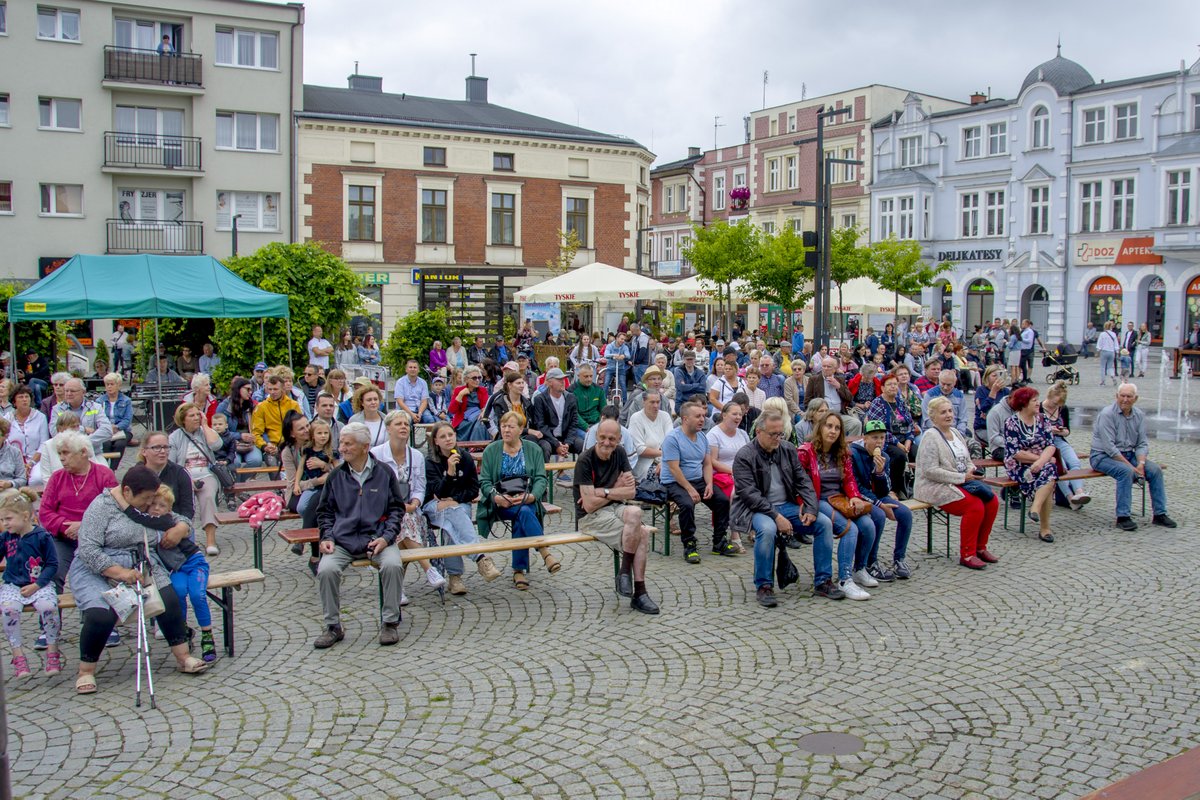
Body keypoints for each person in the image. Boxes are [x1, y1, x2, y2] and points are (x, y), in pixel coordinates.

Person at [72, 466, 210, 693]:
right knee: (100, 613)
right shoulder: (101, 507)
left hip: (140, 561)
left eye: (151, 498)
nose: (149, 504)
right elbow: (88, 550)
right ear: (127, 492)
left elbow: (176, 517)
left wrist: (181, 527)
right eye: (145, 499)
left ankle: (183, 656)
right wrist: (118, 572)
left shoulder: (148, 502)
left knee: (168, 598)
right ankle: (86, 671)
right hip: (98, 567)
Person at [312, 423, 407, 648]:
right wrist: (326, 537)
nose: (341, 448)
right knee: (326, 569)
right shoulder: (336, 475)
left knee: (394, 564)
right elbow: (324, 512)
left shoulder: (384, 473)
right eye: (341, 443)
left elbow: (396, 509)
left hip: (378, 538)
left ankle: (390, 622)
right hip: (343, 540)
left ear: (365, 447)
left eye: (347, 443)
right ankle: (333, 626)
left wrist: (386, 538)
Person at [730, 408, 824, 607]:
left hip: (787, 506)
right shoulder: (745, 456)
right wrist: (776, 516)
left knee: (823, 523)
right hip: (758, 509)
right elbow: (750, 495)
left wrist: (810, 508)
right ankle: (764, 585)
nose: (777, 438)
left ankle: (823, 580)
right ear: (759, 432)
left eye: (780, 433)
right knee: (767, 529)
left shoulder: (788, 449)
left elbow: (803, 480)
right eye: (773, 434)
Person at [573, 419, 660, 614]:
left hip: (616, 508)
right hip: (590, 517)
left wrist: (601, 492)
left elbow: (631, 492)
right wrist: (614, 489)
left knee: (636, 512)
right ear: (596, 437)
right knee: (643, 534)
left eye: (612, 439)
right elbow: (589, 505)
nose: (606, 442)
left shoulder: (619, 452)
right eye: (602, 438)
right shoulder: (585, 461)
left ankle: (624, 573)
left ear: (619, 439)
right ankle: (640, 592)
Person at [797, 411, 876, 600]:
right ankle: (844, 579)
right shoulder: (806, 452)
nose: (832, 431)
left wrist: (855, 497)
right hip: (818, 500)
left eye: (837, 428)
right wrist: (804, 503)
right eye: (829, 426)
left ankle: (859, 568)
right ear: (820, 428)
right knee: (851, 530)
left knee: (868, 525)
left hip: (840, 498)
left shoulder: (842, 452)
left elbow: (849, 479)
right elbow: (799, 482)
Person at [916, 396, 1000, 570]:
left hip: (961, 481)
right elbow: (929, 471)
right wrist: (961, 478)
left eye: (950, 411)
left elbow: (967, 459)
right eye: (943, 412)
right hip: (933, 485)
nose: (948, 415)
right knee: (974, 506)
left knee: (992, 501)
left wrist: (971, 471)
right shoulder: (930, 437)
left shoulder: (956, 433)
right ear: (933, 417)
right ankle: (967, 554)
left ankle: (980, 547)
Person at [477, 412, 558, 589]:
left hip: (526, 499)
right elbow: (484, 481)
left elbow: (540, 478)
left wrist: (532, 496)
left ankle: (519, 571)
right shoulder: (492, 450)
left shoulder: (532, 449)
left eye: (511, 426)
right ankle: (544, 552)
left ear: (521, 429)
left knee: (523, 512)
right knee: (523, 513)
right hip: (501, 502)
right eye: (503, 426)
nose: (506, 430)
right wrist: (496, 497)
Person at [370, 413, 447, 592]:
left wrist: (414, 503)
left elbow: (420, 487)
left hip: (411, 512)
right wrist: (395, 506)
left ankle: (395, 590)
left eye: (406, 424)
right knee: (401, 520)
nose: (404, 427)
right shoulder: (376, 455)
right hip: (382, 513)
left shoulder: (416, 456)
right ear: (388, 428)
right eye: (399, 424)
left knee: (404, 520)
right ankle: (429, 569)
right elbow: (372, 489)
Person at [423, 422, 501, 594]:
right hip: (433, 506)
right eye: (443, 436)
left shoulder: (465, 458)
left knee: (450, 523)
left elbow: (473, 490)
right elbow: (437, 492)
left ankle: (455, 578)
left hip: (459, 504)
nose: (448, 439)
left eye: (450, 435)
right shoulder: (430, 462)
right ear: (435, 441)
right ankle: (480, 557)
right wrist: (450, 472)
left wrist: (455, 499)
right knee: (452, 513)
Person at [1089, 383, 1176, 531]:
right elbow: (1110, 448)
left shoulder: (1139, 415)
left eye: (1129, 396)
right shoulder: (1107, 414)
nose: (1125, 399)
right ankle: (1123, 517)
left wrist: (1141, 463)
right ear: (1116, 396)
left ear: (1135, 399)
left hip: (1129, 455)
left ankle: (1160, 514)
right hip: (1102, 456)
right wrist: (1131, 467)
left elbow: (1142, 443)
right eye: (1122, 396)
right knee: (1126, 472)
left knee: (1155, 470)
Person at [662, 401, 736, 564]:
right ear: (685, 419)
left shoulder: (702, 437)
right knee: (687, 504)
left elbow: (707, 463)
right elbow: (674, 469)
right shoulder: (672, 439)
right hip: (674, 482)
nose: (702, 419)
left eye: (703, 415)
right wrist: (689, 489)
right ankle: (689, 545)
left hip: (698, 480)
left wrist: (709, 484)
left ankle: (719, 542)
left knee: (722, 500)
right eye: (698, 416)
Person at [0, 488, 62, 677]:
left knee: (48, 607)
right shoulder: (5, 538)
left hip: (39, 585)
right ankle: (18, 655)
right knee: (9, 610)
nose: (4, 524)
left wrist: (38, 584)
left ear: (25, 516)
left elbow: (52, 564)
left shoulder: (42, 536)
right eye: (2, 520)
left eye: (8, 519)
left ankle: (52, 651)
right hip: (13, 585)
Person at [850, 420, 914, 581]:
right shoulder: (854, 454)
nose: (879, 442)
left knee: (905, 514)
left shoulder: (884, 456)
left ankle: (899, 558)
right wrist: (879, 504)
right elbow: (857, 487)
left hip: (878, 496)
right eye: (875, 438)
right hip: (860, 497)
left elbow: (885, 490)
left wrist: (879, 473)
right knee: (878, 516)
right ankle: (871, 562)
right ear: (865, 438)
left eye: (882, 438)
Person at [1002, 387, 1059, 543]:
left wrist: (1041, 462)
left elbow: (1051, 445)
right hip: (1019, 465)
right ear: (1024, 403)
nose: (1038, 403)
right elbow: (1016, 452)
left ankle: (1035, 508)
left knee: (1049, 471)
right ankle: (1045, 528)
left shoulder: (1043, 419)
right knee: (1049, 475)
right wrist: (1040, 460)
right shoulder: (1011, 422)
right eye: (1034, 400)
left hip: (1041, 462)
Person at [169, 403, 223, 556]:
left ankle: (211, 541)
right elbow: (171, 464)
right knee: (184, 503)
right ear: (183, 419)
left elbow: (217, 445)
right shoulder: (175, 437)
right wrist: (187, 481)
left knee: (208, 499)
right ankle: (187, 540)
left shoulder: (204, 432)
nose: (196, 418)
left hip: (206, 474)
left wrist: (205, 426)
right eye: (191, 416)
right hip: (184, 476)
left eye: (198, 414)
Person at [707, 401, 749, 553]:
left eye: (740, 414)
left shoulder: (743, 434)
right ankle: (735, 534)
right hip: (721, 474)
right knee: (735, 493)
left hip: (742, 473)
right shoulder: (714, 434)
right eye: (734, 414)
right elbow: (712, 461)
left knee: (760, 488)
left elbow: (749, 457)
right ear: (724, 415)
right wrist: (733, 471)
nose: (738, 417)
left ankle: (753, 529)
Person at [1041, 381, 1090, 510]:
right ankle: (1069, 497)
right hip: (1045, 443)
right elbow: (1035, 430)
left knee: (1074, 462)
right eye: (1054, 403)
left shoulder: (1063, 409)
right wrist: (1049, 429)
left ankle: (1079, 492)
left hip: (1059, 440)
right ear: (1049, 396)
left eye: (1059, 404)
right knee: (1060, 466)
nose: (1055, 406)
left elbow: (1067, 431)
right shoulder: (1039, 408)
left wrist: (1062, 431)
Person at [50, 378, 112, 454]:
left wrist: (83, 443)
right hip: (66, 454)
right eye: (66, 391)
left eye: (72, 391)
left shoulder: (96, 407)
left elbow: (107, 430)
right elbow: (54, 431)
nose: (69, 394)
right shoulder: (57, 409)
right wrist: (83, 429)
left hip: (92, 453)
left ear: (83, 392)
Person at [805, 357, 861, 437]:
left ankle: (848, 448)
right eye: (824, 366)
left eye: (829, 366)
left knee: (856, 424)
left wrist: (838, 386)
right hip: (822, 416)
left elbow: (850, 398)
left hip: (839, 415)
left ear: (835, 369)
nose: (826, 369)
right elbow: (807, 401)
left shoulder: (840, 379)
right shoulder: (814, 379)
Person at [216, 376, 262, 467]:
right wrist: (240, 435)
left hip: (249, 443)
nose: (250, 392)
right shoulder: (223, 407)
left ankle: (243, 480)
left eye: (251, 390)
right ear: (238, 389)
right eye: (248, 389)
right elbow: (219, 430)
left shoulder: (251, 406)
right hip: (231, 443)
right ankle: (238, 481)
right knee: (234, 462)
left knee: (256, 460)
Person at [629, 389, 672, 481]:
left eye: (658, 402)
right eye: (652, 402)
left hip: (666, 461)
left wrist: (664, 460)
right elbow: (640, 449)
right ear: (644, 402)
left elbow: (671, 442)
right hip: (645, 465)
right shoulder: (636, 418)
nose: (656, 405)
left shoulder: (665, 416)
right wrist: (664, 453)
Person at [7, 386, 48, 475]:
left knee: (36, 479)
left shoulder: (40, 417)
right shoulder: (7, 418)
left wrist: (31, 463)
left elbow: (44, 444)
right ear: (14, 402)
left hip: (35, 460)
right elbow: (5, 443)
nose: (24, 399)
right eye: (21, 397)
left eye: (27, 397)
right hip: (12, 460)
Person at [921, 368, 969, 438]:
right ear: (939, 381)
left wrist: (959, 434)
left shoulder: (960, 396)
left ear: (954, 383)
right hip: (934, 431)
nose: (945, 387)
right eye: (943, 384)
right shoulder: (929, 395)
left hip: (954, 430)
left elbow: (963, 419)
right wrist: (943, 433)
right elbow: (927, 419)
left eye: (949, 385)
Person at [99, 372, 133, 464]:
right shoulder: (99, 401)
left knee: (120, 444)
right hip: (105, 430)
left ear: (118, 386)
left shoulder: (126, 401)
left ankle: (113, 469)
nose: (109, 387)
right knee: (105, 444)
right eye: (107, 384)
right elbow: (98, 418)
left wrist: (117, 427)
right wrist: (108, 427)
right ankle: (104, 466)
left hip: (122, 430)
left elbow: (127, 419)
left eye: (112, 384)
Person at [449, 365, 490, 442]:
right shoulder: (459, 390)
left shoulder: (483, 390)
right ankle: (475, 446)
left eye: (479, 378)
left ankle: (476, 447)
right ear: (466, 379)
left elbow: (485, 406)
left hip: (478, 416)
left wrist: (484, 411)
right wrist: (460, 395)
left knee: (481, 424)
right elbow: (452, 410)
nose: (477, 380)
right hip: (463, 419)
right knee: (480, 423)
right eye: (474, 378)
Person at [974, 365, 1010, 446]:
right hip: (984, 428)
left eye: (1000, 375)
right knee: (1003, 445)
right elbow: (983, 409)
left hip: (1002, 428)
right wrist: (993, 392)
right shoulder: (981, 390)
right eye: (994, 376)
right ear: (987, 377)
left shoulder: (1005, 391)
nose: (997, 378)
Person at [347, 382, 387, 448]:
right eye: (369, 400)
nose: (373, 402)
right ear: (362, 403)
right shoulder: (354, 420)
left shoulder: (387, 420)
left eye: (375, 399)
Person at [395, 359, 434, 424]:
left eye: (415, 367)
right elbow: (400, 402)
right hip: (405, 410)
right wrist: (412, 415)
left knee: (429, 419)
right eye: (410, 367)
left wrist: (419, 414)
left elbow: (424, 401)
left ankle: (426, 434)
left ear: (418, 370)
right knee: (407, 421)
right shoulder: (400, 382)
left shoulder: (423, 382)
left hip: (420, 409)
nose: (412, 369)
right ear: (406, 370)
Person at [570, 363, 606, 431]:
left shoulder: (598, 390)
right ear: (578, 376)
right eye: (586, 376)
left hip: (597, 424)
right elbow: (574, 414)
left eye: (591, 376)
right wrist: (586, 427)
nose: (589, 379)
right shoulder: (571, 391)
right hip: (579, 426)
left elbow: (604, 410)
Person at [672, 350, 707, 415]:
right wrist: (696, 385)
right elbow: (681, 387)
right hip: (682, 402)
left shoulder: (700, 373)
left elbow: (703, 388)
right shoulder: (678, 371)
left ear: (694, 360)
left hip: (697, 403)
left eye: (691, 359)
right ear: (684, 360)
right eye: (687, 359)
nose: (689, 361)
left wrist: (687, 387)